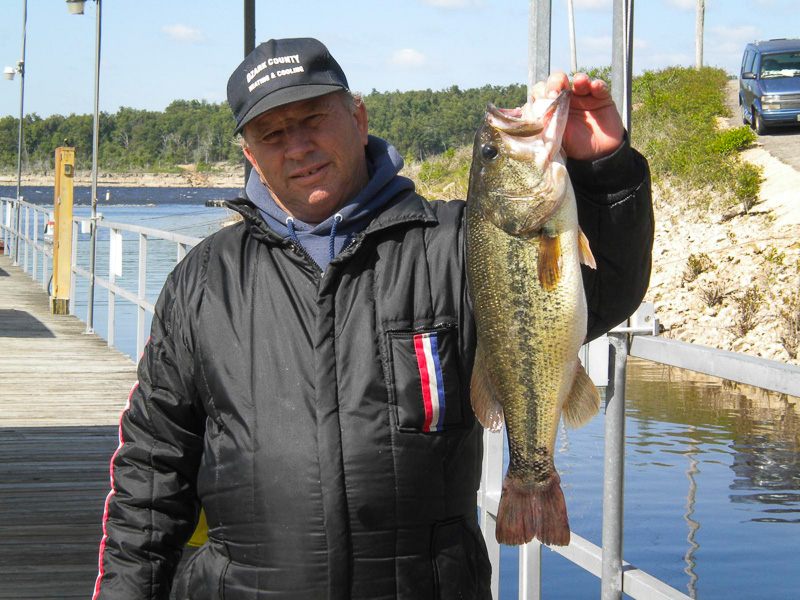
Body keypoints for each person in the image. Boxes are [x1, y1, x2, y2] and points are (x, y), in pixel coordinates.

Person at [92, 37, 653, 600]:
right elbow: (151, 469)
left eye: (314, 119)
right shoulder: (202, 282)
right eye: (273, 134)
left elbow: (599, 293)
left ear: (358, 117)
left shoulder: (456, 246)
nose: (298, 147)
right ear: (250, 154)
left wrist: (604, 168)